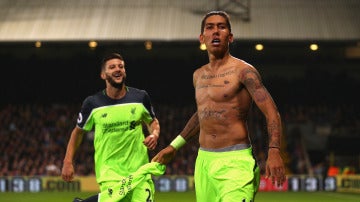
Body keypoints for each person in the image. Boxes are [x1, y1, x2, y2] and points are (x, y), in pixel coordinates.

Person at [152, 11, 286, 201]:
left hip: (235, 162)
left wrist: (274, 151)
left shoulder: (244, 71)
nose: (216, 32)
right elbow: (203, 114)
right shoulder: (198, 75)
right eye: (210, 27)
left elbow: (272, 113)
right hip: (204, 161)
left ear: (230, 37)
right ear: (202, 37)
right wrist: (174, 146)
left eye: (221, 27)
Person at [61, 52, 161, 202]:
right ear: (103, 74)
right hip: (110, 173)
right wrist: (68, 162)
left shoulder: (140, 98)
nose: (118, 69)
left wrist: (154, 134)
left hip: (139, 171)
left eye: (121, 66)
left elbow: (153, 122)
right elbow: (78, 133)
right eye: (112, 67)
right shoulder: (92, 103)